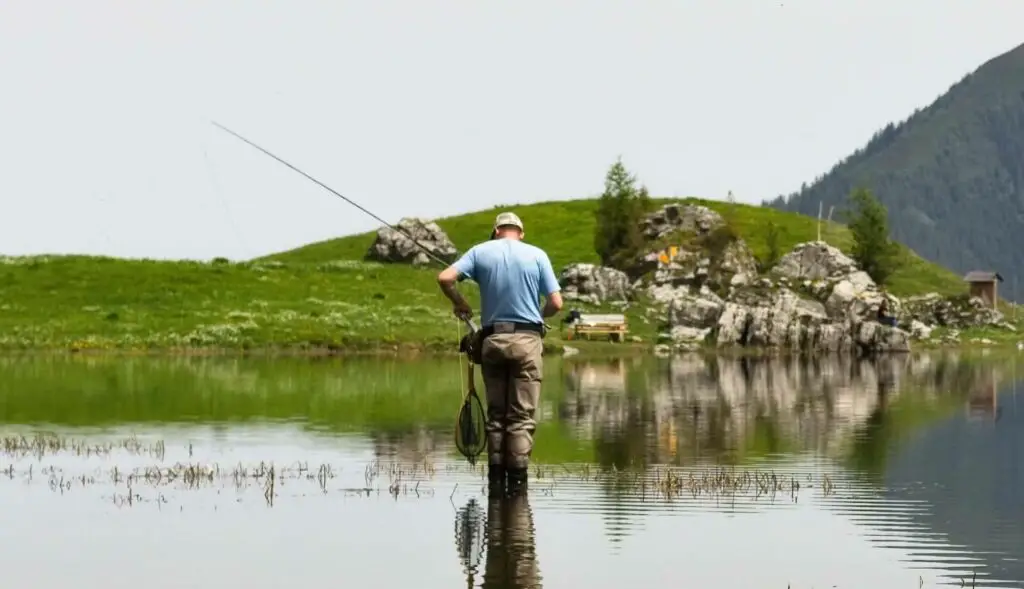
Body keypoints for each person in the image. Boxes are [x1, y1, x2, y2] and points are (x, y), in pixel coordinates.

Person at [437, 212, 563, 494]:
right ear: (521, 232)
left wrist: (460, 301)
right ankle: (517, 487)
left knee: (497, 416)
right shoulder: (537, 255)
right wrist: (539, 319)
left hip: (492, 342)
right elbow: (556, 302)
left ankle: (495, 483)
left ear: (496, 231)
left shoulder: (480, 251)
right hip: (528, 341)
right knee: (521, 417)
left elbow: (445, 278)